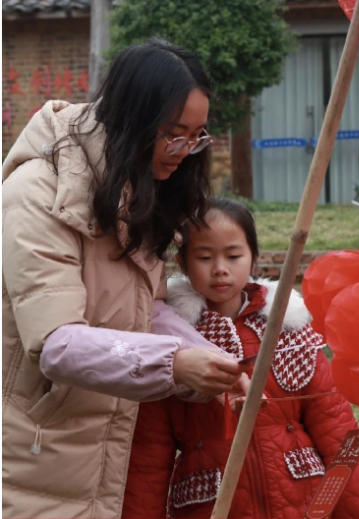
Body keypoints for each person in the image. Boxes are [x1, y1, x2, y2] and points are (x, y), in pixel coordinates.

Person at [2, 39, 249, 518]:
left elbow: (144, 310)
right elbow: (55, 343)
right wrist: (174, 364)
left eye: (197, 136)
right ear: (132, 119)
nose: (184, 151)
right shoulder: (35, 194)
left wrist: (210, 359)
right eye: (174, 134)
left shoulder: (136, 188)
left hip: (105, 445)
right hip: (30, 451)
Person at [122, 198, 359, 519]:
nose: (220, 268)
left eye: (233, 256)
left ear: (253, 258)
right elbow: (150, 446)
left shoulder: (288, 328)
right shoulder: (170, 343)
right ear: (183, 261)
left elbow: (331, 415)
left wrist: (358, 502)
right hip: (211, 502)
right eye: (204, 257)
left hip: (299, 498)